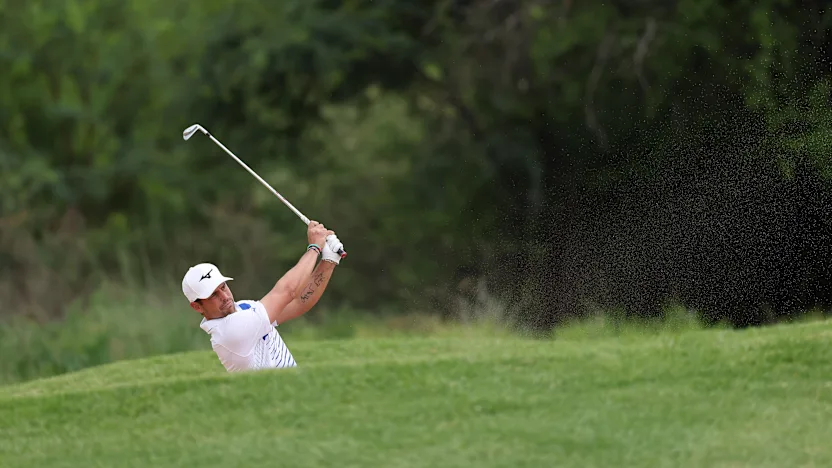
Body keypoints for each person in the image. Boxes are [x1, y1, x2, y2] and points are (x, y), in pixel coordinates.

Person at [181, 221, 344, 372]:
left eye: (223, 287)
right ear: (197, 306)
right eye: (213, 295)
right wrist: (314, 247)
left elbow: (298, 303)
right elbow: (288, 291)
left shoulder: (244, 308)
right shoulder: (229, 332)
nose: (224, 296)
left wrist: (329, 260)